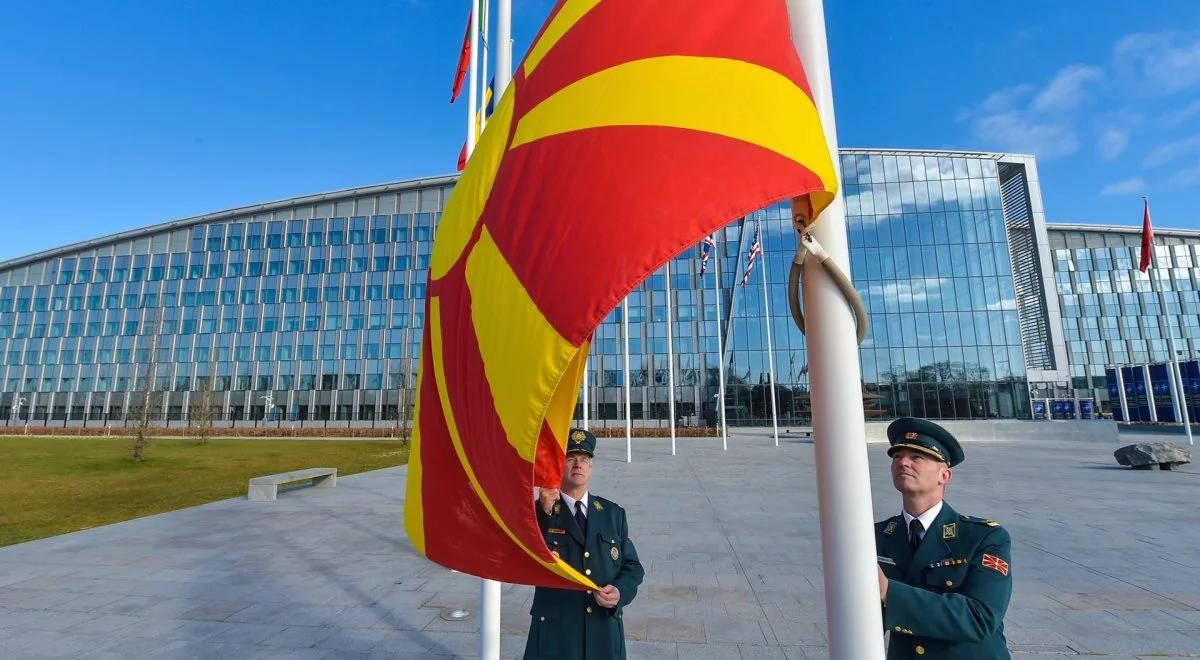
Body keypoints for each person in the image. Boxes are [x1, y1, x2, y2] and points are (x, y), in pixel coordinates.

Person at [875, 417, 1012, 659]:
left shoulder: (984, 537)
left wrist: (889, 592)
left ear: (944, 476)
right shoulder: (877, 536)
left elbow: (980, 618)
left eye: (916, 457)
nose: (903, 462)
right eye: (897, 457)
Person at [524, 428, 644, 660]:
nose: (578, 464)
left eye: (584, 459)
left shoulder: (612, 513)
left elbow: (632, 566)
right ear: (560, 466)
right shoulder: (542, 511)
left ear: (591, 467)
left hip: (603, 631)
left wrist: (620, 592)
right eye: (571, 459)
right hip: (557, 634)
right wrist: (542, 512)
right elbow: (526, 554)